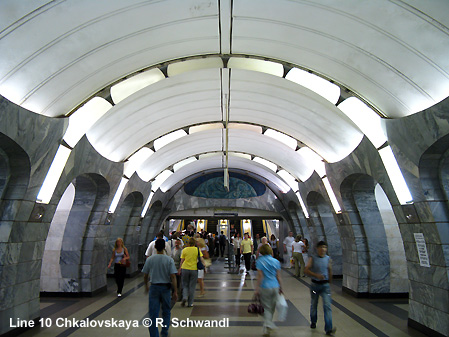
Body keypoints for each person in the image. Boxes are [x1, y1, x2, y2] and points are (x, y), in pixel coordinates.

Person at [142, 239, 178, 337]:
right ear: (164, 247)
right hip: (165, 288)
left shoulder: (150, 259)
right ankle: (164, 332)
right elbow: (173, 276)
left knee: (153, 313)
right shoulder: (169, 260)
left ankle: (154, 335)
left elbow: (145, 275)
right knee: (166, 311)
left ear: (154, 247)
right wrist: (175, 291)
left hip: (154, 288)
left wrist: (146, 286)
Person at [305, 241, 336, 336]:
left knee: (327, 307)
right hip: (315, 285)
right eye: (321, 247)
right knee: (314, 304)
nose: (323, 249)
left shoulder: (328, 259)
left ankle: (328, 329)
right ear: (317, 248)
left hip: (325, 286)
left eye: (325, 247)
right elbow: (306, 270)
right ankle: (313, 321)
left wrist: (329, 283)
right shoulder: (313, 258)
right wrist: (316, 275)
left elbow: (330, 271)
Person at [255, 244, 283, 337]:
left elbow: (260, 276)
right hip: (275, 286)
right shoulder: (276, 261)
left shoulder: (259, 261)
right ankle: (267, 327)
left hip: (265, 286)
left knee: (266, 307)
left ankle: (269, 325)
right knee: (271, 308)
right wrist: (281, 287)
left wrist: (257, 288)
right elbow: (278, 276)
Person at [179, 238, 205, 307]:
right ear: (194, 243)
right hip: (194, 269)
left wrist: (179, 269)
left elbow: (182, 260)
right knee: (192, 286)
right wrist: (204, 266)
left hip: (185, 268)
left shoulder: (184, 250)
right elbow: (201, 259)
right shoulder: (197, 250)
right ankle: (190, 303)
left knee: (185, 285)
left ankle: (184, 297)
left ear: (188, 243)